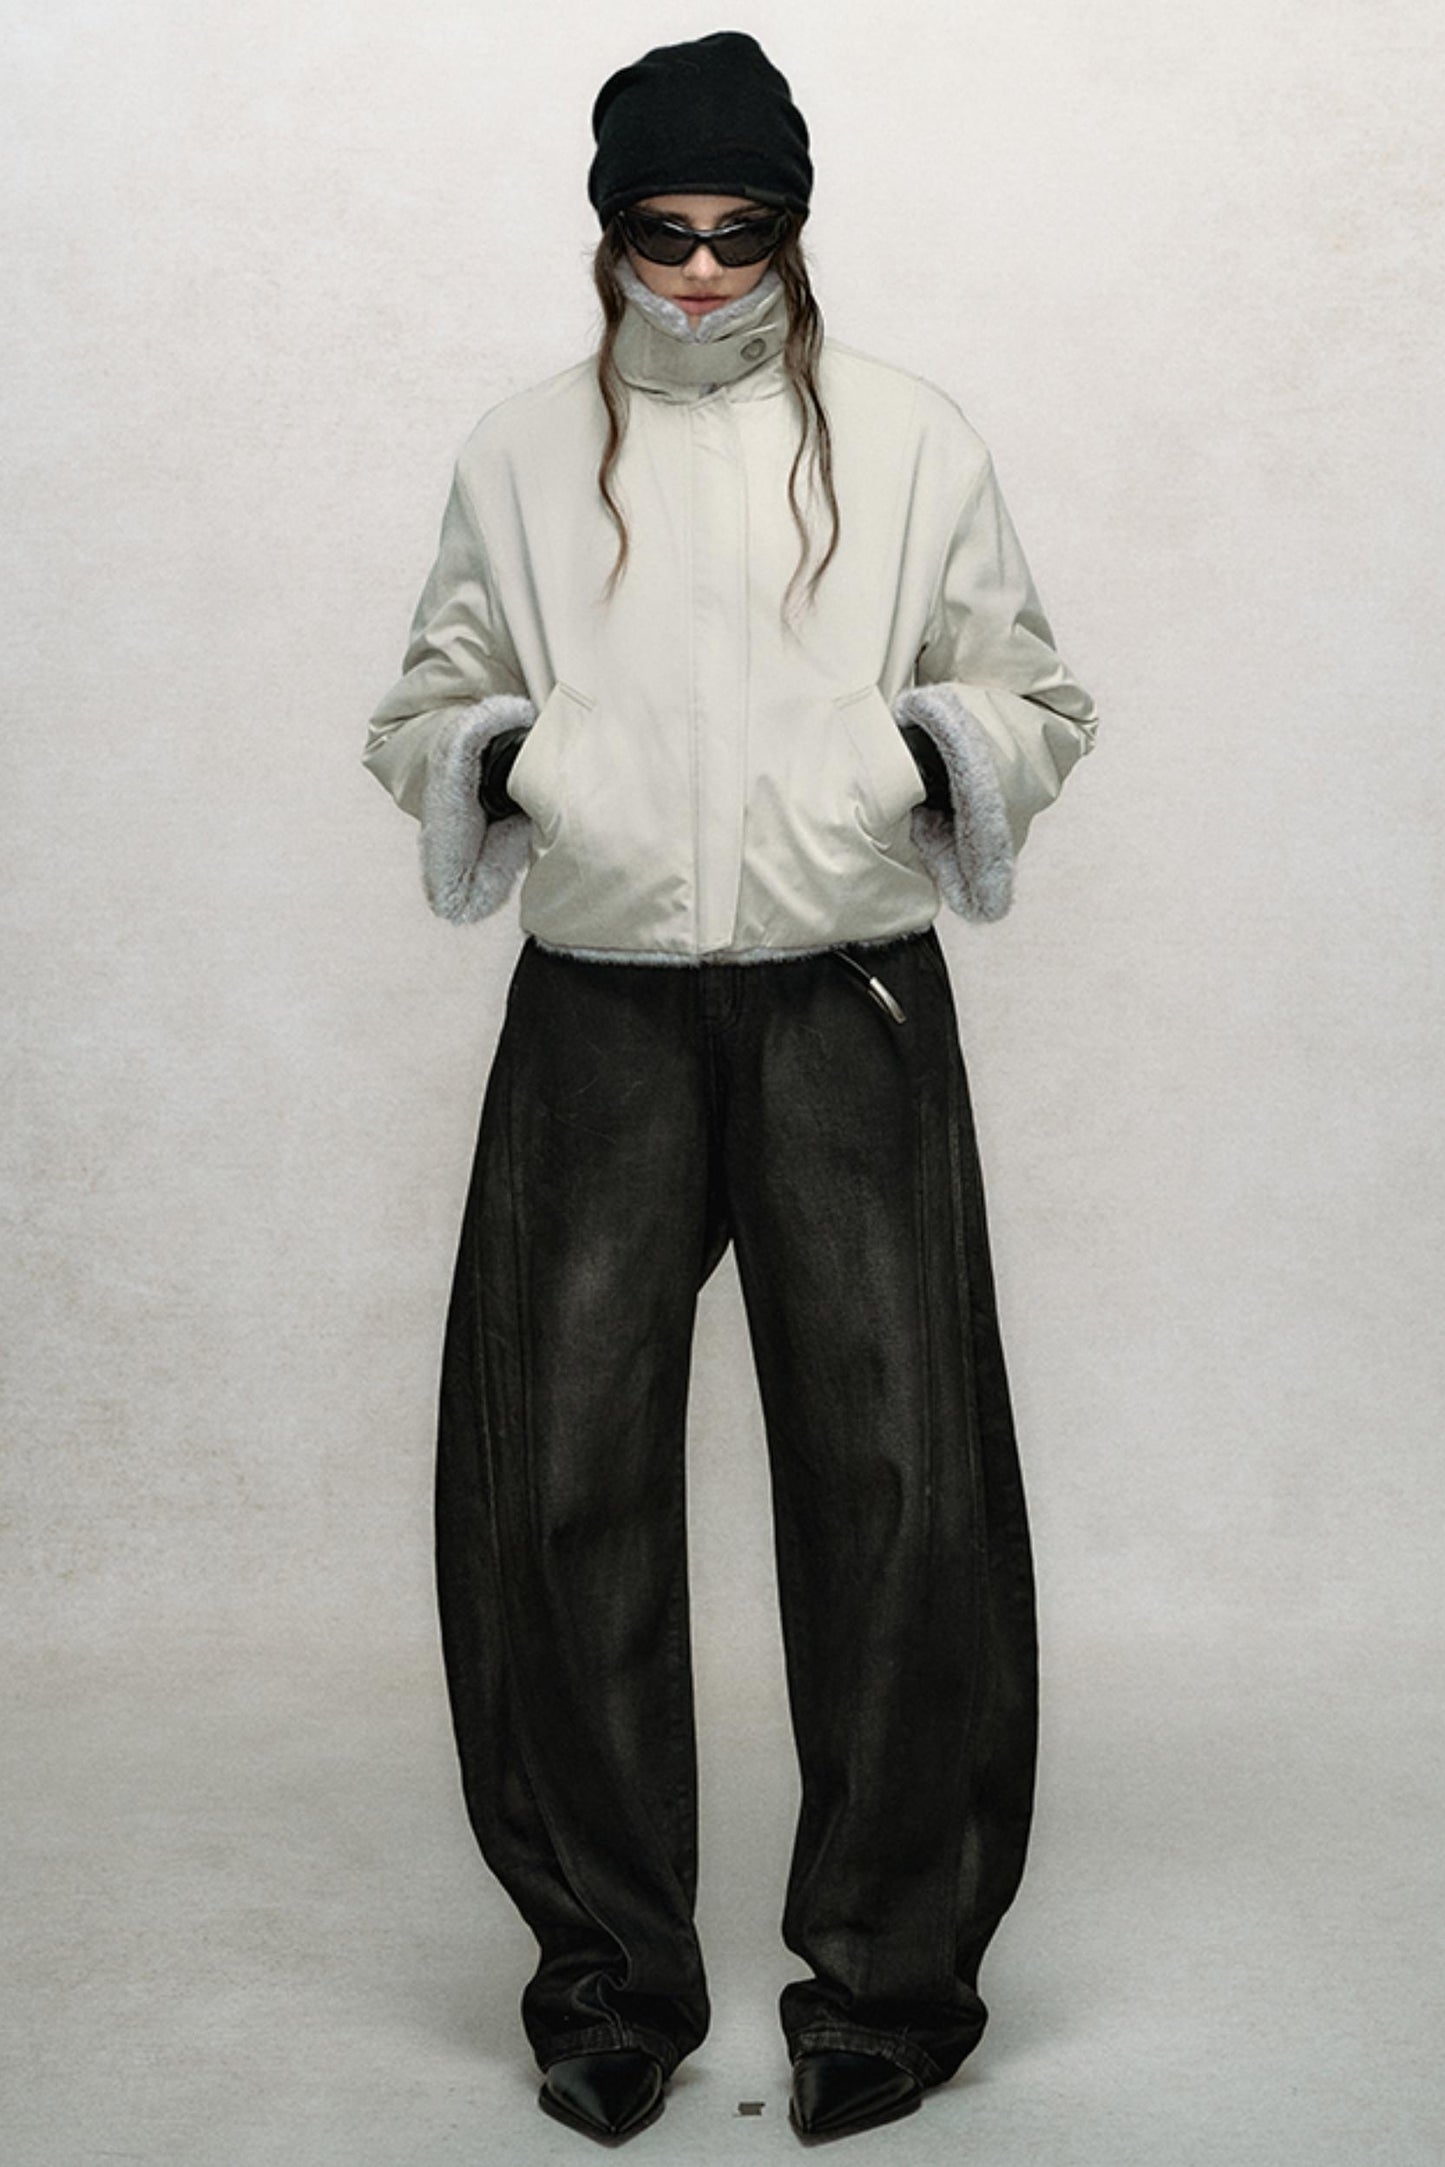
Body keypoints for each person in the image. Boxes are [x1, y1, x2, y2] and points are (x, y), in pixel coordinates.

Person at [362, 29, 1098, 2146]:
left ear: (792, 227)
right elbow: (426, 702)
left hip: (842, 999)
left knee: (897, 1484)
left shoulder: (909, 435)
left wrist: (902, 760)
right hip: (595, 1011)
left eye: (740, 230)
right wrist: (525, 763)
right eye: (662, 232)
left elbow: (1033, 693)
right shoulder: (520, 449)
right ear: (608, 232)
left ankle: (888, 1979)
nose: (699, 273)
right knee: (555, 1487)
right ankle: (609, 1977)